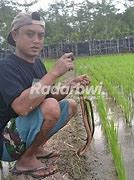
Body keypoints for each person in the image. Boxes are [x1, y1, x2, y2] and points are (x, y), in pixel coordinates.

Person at [0, 11, 90, 178]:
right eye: (29, 34)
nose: (36, 40)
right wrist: (55, 72)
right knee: (50, 107)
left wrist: (70, 85)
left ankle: (36, 148)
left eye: (40, 36)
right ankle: (25, 160)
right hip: (5, 143)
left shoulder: (38, 64)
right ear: (15, 35)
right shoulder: (5, 67)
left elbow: (47, 97)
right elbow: (22, 107)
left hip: (21, 131)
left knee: (70, 105)